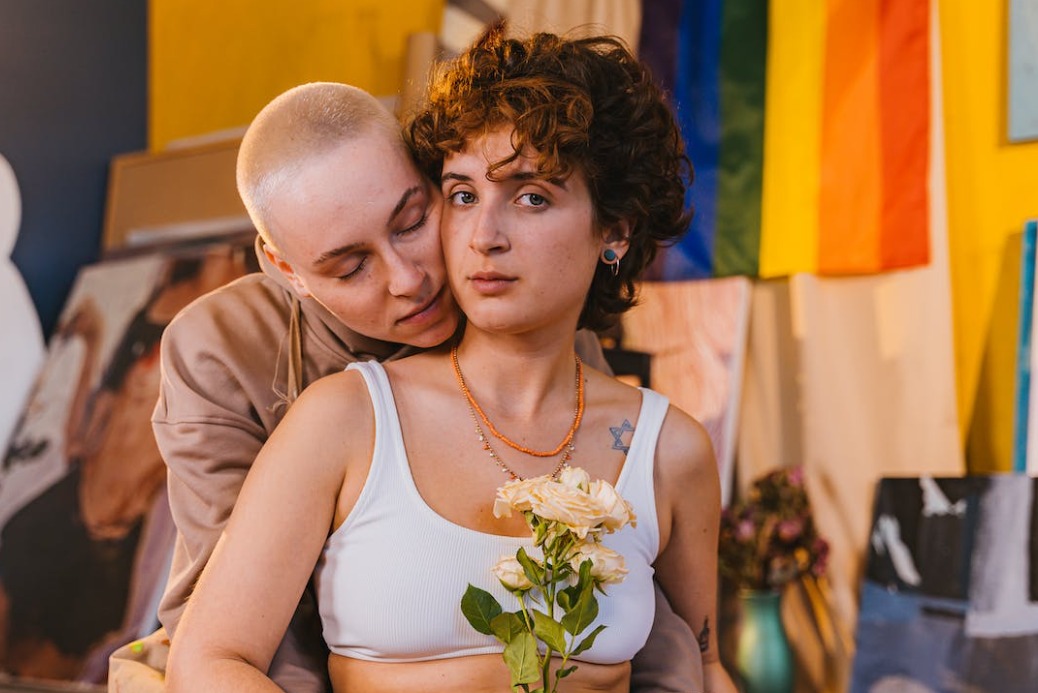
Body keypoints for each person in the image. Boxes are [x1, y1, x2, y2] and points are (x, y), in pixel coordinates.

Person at [166, 29, 734, 693]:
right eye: (464, 194)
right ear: (287, 269)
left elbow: (688, 651)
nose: (480, 239)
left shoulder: (662, 440)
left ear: (615, 228)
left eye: (531, 196)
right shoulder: (309, 398)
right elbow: (217, 649)